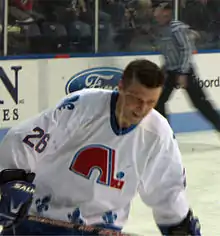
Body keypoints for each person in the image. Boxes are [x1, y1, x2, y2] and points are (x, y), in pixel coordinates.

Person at [0, 59, 201, 235]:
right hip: (40, 222)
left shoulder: (158, 133)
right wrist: (14, 181)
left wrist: (179, 225)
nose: (142, 109)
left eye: (151, 102)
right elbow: (25, 139)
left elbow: (167, 189)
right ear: (120, 86)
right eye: (136, 99)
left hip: (102, 229)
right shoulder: (82, 107)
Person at [154, 2, 220, 132]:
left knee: (201, 104)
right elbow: (170, 52)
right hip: (171, 71)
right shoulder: (163, 30)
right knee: (158, 101)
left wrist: (183, 73)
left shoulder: (177, 28)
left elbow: (186, 49)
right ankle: (165, 133)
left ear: (165, 14)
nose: (155, 15)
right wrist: (164, 68)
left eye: (157, 12)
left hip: (184, 71)